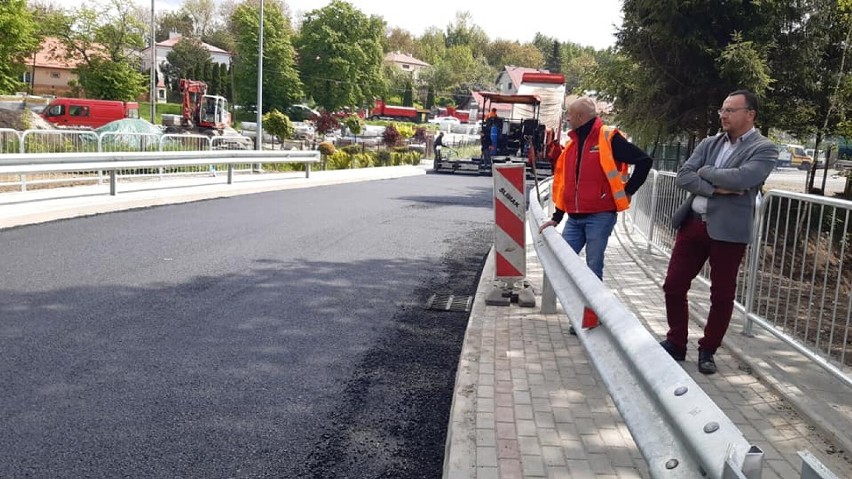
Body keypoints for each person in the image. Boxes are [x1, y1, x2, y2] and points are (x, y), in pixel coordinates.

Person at [659, 89, 778, 375]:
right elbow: (684, 175)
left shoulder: (764, 148)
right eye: (722, 110)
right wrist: (719, 188)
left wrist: (706, 172)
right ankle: (676, 342)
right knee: (673, 285)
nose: (723, 115)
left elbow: (745, 178)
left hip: (728, 231)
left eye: (730, 110)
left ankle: (708, 349)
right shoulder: (709, 142)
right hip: (693, 225)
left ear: (750, 114)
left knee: (721, 295)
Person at [539, 96, 652, 285]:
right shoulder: (572, 144)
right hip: (574, 218)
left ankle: (592, 314)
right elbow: (566, 183)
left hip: (600, 216)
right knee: (562, 261)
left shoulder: (608, 137)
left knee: (593, 267)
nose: (567, 120)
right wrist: (557, 217)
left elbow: (644, 161)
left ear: (580, 117)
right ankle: (576, 308)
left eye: (570, 116)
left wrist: (629, 190)